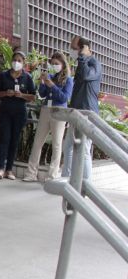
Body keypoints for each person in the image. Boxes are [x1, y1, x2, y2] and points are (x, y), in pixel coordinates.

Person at [23, 52, 74, 182]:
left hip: (59, 111)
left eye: (57, 64)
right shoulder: (50, 76)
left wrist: (52, 85)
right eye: (52, 63)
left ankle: (52, 175)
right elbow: (42, 94)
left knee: (56, 144)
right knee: (37, 142)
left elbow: (65, 98)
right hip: (46, 110)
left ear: (63, 65)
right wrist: (42, 83)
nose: (54, 66)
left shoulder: (68, 79)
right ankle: (31, 173)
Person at [62, 36, 102, 179]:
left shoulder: (94, 63)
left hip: (87, 112)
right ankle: (66, 178)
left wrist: (83, 57)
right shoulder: (82, 62)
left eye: (74, 48)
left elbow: (86, 76)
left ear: (83, 48)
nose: (73, 51)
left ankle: (86, 183)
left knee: (84, 149)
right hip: (77, 111)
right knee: (68, 147)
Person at [0, 50, 36, 179]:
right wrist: (6, 93)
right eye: (15, 60)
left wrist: (21, 95)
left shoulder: (27, 77)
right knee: (4, 138)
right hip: (5, 111)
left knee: (14, 140)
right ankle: (0, 168)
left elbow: (33, 96)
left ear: (23, 63)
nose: (16, 63)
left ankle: (9, 170)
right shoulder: (4, 75)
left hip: (20, 112)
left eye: (19, 61)